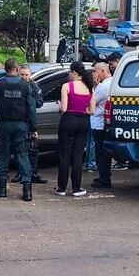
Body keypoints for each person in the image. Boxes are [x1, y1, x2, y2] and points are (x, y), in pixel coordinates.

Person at [0, 58, 38, 201]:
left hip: (4, 125)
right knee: (22, 155)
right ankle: (27, 190)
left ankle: (2, 188)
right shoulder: (25, 85)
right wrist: (33, 127)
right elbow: (32, 108)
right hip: (21, 125)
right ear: (17, 70)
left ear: (5, 69)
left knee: (3, 155)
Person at [56, 61, 95, 197]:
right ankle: (77, 188)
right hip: (83, 121)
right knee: (78, 156)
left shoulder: (67, 86)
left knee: (64, 155)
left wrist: (60, 106)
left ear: (74, 72)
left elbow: (64, 109)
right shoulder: (90, 87)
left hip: (68, 121)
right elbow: (92, 110)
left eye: (70, 72)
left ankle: (61, 188)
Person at [12, 64, 49, 185]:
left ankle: (33, 173)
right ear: (18, 74)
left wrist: (30, 98)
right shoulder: (14, 85)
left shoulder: (34, 86)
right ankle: (20, 173)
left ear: (30, 75)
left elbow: (39, 103)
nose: (24, 77)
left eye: (26, 75)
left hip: (30, 121)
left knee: (32, 149)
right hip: (17, 121)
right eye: (22, 74)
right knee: (19, 149)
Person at [90, 62, 114, 189]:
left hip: (99, 124)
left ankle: (104, 179)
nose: (93, 74)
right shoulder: (111, 83)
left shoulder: (102, 87)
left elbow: (92, 102)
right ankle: (104, 176)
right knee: (104, 153)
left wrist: (94, 85)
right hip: (104, 123)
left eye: (95, 71)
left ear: (103, 71)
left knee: (101, 154)